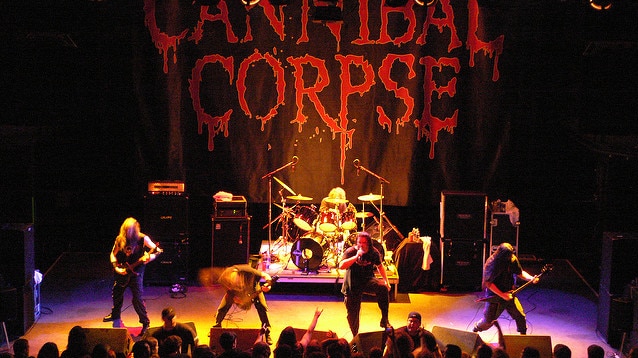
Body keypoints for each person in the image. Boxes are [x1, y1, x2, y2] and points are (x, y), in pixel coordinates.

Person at [103, 217, 161, 337]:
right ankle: (115, 314)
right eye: (127, 231)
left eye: (132, 231)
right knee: (117, 292)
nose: (129, 234)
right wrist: (117, 268)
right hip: (123, 271)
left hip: (137, 273)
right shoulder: (120, 239)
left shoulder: (143, 238)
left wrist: (149, 258)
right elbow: (113, 254)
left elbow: (157, 250)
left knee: (137, 299)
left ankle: (145, 322)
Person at [472, 243, 539, 335]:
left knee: (520, 316)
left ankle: (523, 337)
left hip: (509, 293)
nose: (510, 258)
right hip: (495, 295)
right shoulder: (492, 263)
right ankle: (475, 329)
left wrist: (530, 278)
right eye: (508, 256)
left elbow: (520, 272)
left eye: (511, 255)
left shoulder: (512, 259)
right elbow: (488, 283)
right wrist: (502, 295)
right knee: (488, 320)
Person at [339, 231, 391, 336]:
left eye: (364, 242)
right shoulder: (351, 251)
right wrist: (355, 257)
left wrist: (387, 281)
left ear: (369, 244)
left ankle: (384, 319)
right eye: (359, 242)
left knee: (383, 287)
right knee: (353, 313)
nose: (361, 245)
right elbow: (341, 266)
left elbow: (380, 266)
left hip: (367, 281)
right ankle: (355, 335)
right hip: (352, 284)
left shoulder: (374, 252)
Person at [213, 264, 274, 345]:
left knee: (262, 307)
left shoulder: (248, 271)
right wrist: (234, 296)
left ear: (240, 276)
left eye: (237, 282)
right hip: (233, 292)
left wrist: (268, 285)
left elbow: (266, 275)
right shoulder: (225, 275)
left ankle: (266, 332)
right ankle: (217, 326)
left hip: (254, 289)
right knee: (223, 306)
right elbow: (224, 285)